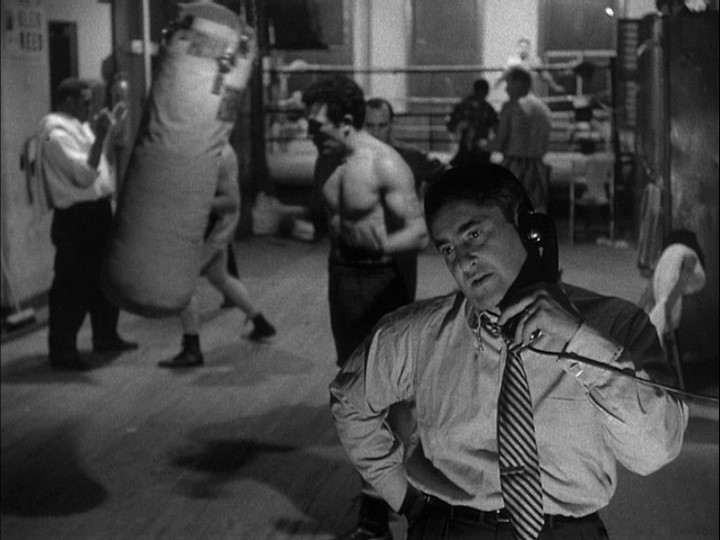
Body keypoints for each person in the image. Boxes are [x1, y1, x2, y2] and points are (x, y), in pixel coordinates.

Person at [330, 163, 688, 540]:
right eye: (448, 248)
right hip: (452, 527)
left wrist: (577, 337)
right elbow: (350, 401)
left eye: (473, 234)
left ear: (530, 229)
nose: (462, 261)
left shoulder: (616, 325)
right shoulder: (415, 334)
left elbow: (655, 451)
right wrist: (404, 498)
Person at [303, 76, 429, 540]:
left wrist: (379, 243)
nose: (308, 131)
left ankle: (386, 510)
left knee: (387, 397)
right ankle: (388, 499)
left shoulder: (385, 163)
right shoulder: (325, 160)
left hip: (380, 284)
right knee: (354, 390)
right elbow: (331, 221)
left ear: (345, 121)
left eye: (315, 124)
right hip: (341, 281)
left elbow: (418, 232)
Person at [37, 78, 138, 371]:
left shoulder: (79, 127)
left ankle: (105, 335)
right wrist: (101, 135)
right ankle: (62, 350)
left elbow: (100, 160)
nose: (91, 107)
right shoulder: (52, 136)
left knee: (104, 278)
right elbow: (83, 175)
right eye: (85, 102)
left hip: (97, 211)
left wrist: (109, 132)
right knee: (72, 284)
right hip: (76, 218)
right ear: (67, 101)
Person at [159, 144, 276, 369]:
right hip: (215, 223)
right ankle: (260, 322)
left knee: (183, 281)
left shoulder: (216, 151)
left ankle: (192, 349)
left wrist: (190, 202)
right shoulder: (210, 144)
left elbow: (231, 201)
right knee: (219, 276)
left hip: (213, 225)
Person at [364, 97, 448, 300]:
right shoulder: (350, 160)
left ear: (392, 124)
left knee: (401, 310)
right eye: (370, 126)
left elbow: (448, 178)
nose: (375, 133)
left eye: (382, 125)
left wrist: (427, 212)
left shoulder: (412, 157)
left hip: (402, 253)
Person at [488, 66, 553, 213]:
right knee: (536, 215)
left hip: (514, 167)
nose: (506, 89)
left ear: (519, 83)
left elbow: (499, 142)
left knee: (511, 215)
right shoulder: (544, 109)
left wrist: (481, 144)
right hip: (537, 169)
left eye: (509, 84)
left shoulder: (511, 107)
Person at [446, 79, 499, 167]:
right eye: (480, 93)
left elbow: (496, 127)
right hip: (467, 149)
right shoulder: (486, 108)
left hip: (478, 149)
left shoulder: (486, 109)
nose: (481, 96)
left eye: (483, 94)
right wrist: (461, 127)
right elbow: (451, 125)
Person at [495, 37, 565, 97]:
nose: (523, 49)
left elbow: (544, 74)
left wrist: (554, 86)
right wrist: (497, 84)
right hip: (515, 94)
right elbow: (503, 75)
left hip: (529, 93)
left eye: (525, 47)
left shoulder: (534, 61)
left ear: (529, 49)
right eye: (521, 47)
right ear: (517, 48)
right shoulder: (511, 61)